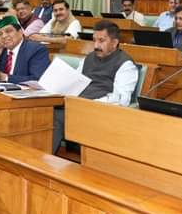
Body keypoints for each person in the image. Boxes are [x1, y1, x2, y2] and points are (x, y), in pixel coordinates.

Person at [52, 20, 139, 153]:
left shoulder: (125, 64)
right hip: (76, 106)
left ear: (115, 42)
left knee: (57, 117)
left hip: (97, 113)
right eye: (94, 40)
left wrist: (88, 103)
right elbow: (75, 82)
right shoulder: (89, 58)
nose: (96, 45)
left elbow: (122, 100)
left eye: (101, 41)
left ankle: (42, 160)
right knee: (47, 111)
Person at [0, 15, 50, 83]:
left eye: (8, 31)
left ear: (20, 32)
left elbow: (37, 79)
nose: (3, 36)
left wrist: (6, 77)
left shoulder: (36, 50)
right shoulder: (2, 51)